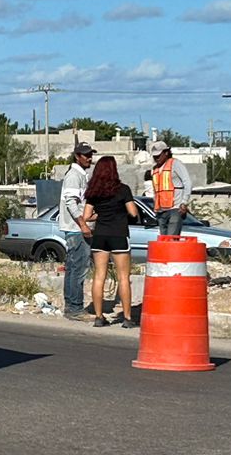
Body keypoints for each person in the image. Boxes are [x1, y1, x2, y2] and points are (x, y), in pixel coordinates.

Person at [80, 155, 139, 328]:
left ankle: (99, 317)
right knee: (123, 277)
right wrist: (119, 212)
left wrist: (101, 214)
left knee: (99, 276)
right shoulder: (123, 189)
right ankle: (127, 318)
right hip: (119, 235)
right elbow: (133, 213)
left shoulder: (94, 192)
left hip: (100, 236)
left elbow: (86, 216)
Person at [59, 142, 96, 319]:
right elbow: (71, 203)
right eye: (86, 155)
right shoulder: (74, 176)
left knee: (73, 268)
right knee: (78, 269)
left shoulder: (81, 175)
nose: (89, 158)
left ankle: (72, 306)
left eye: (90, 154)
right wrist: (83, 225)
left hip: (76, 228)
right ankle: (75, 308)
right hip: (76, 229)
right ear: (77, 156)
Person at [148, 140, 191, 236]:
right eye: (154, 156)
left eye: (158, 155)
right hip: (161, 211)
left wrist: (184, 202)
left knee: (171, 239)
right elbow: (156, 190)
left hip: (175, 208)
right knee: (164, 241)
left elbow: (187, 182)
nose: (156, 158)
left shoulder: (175, 164)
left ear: (166, 153)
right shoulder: (155, 169)